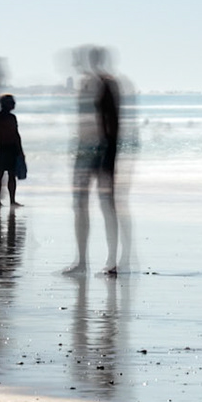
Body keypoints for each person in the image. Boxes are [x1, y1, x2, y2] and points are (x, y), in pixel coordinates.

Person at [65, 46, 123, 276]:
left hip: (101, 150)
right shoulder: (86, 84)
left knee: (105, 204)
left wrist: (109, 154)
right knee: (80, 204)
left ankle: (111, 261)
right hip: (85, 149)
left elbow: (113, 122)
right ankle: (81, 260)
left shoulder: (107, 84)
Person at [0, 93, 24, 208]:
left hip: (1, 148)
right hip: (9, 148)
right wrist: (20, 151)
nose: (14, 104)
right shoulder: (10, 118)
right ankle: (11, 200)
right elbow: (15, 135)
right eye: (12, 102)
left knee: (0, 175)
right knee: (10, 175)